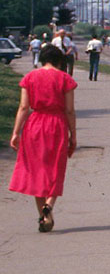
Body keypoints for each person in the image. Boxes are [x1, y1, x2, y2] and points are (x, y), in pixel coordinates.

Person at [8, 45, 78, 233]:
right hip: (57, 125)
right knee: (55, 167)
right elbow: (69, 110)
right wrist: (73, 135)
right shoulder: (65, 79)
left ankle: (43, 216)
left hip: (34, 125)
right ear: (59, 61)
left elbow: (23, 107)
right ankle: (49, 205)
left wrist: (16, 132)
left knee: (37, 170)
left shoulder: (30, 78)